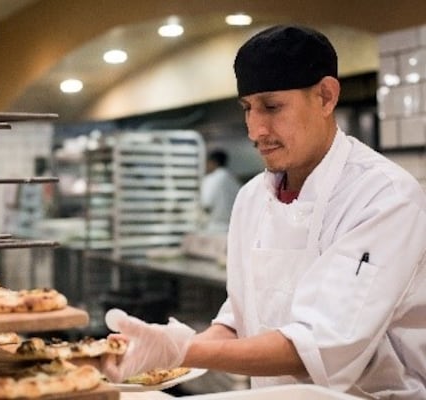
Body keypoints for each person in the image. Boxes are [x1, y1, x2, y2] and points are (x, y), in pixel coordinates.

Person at [100, 24, 426, 398]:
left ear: (325, 96)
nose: (255, 129)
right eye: (247, 109)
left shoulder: (384, 197)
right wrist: (168, 355)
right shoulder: (252, 197)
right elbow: (241, 318)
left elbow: (320, 346)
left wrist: (185, 349)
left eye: (272, 107)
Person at [200, 149, 241, 232]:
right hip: (232, 227)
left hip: (214, 228)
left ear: (213, 162)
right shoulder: (233, 180)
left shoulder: (210, 179)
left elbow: (206, 204)